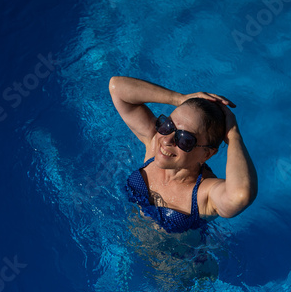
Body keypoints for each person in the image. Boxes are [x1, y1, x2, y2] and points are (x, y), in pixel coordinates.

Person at [109, 76, 258, 235]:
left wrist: (233, 136)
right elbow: (117, 87)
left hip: (176, 259)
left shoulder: (205, 194)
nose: (166, 140)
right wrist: (178, 98)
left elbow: (240, 196)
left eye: (184, 139)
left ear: (206, 153)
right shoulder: (154, 143)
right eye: (167, 125)